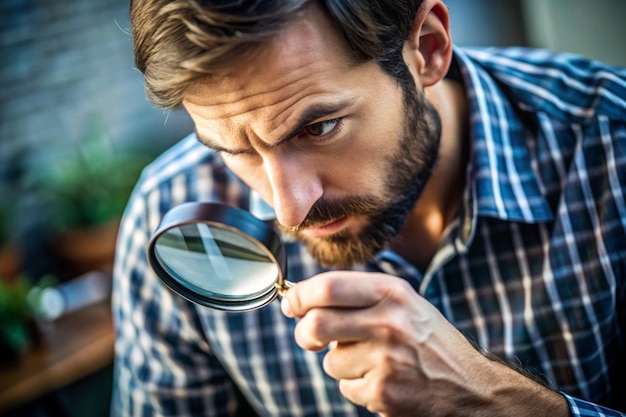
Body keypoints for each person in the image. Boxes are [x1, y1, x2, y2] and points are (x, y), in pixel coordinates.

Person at [111, 0, 626, 416]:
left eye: (319, 127)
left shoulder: (611, 148)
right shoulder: (165, 211)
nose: (289, 211)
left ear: (427, 50)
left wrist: (501, 405)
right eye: (235, 151)